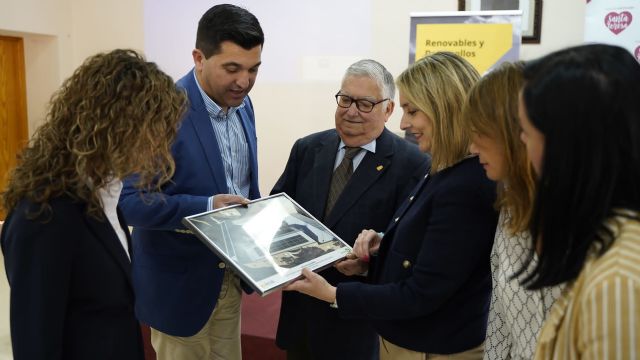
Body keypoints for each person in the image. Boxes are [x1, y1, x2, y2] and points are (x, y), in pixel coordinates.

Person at [285, 52, 498, 359]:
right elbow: (428, 250)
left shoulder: (462, 182)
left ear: (444, 109)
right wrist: (378, 252)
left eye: (412, 110)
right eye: (345, 100)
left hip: (427, 345)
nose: (404, 123)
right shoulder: (442, 167)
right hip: (395, 335)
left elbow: (422, 291)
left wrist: (332, 293)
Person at [0, 49, 187, 360]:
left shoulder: (106, 193)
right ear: (115, 125)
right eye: (154, 131)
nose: (160, 146)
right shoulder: (44, 215)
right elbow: (36, 341)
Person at [118, 4, 263, 359]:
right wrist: (208, 207)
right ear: (199, 57)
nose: (244, 81)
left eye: (253, 69)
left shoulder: (244, 105)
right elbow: (132, 203)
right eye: (232, 68)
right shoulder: (160, 110)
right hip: (177, 289)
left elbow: (245, 188)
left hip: (229, 277)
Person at [272, 59, 429, 359]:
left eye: (365, 103)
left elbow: (408, 249)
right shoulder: (307, 148)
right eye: (345, 99)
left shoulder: (412, 164)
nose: (351, 110)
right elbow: (278, 213)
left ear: (389, 109)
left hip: (360, 325)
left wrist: (369, 260)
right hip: (301, 316)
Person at [517, 44, 640, 359]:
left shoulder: (617, 284)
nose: (521, 143)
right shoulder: (608, 246)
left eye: (526, 132)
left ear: (565, 150)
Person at [462, 62, 562, 359]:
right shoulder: (509, 202)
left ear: (514, 132)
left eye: (480, 132)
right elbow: (502, 320)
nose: (471, 147)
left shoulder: (580, 217)